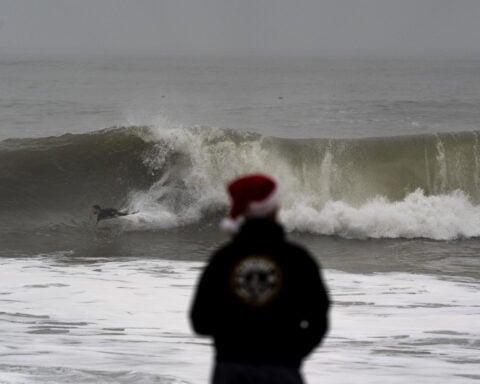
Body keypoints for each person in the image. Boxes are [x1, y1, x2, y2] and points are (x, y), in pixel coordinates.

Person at [190, 174, 330, 384]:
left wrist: (233, 337)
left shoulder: (223, 259)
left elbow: (200, 321)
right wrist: (293, 352)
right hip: (282, 369)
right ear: (274, 207)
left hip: (230, 370)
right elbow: (319, 319)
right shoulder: (297, 258)